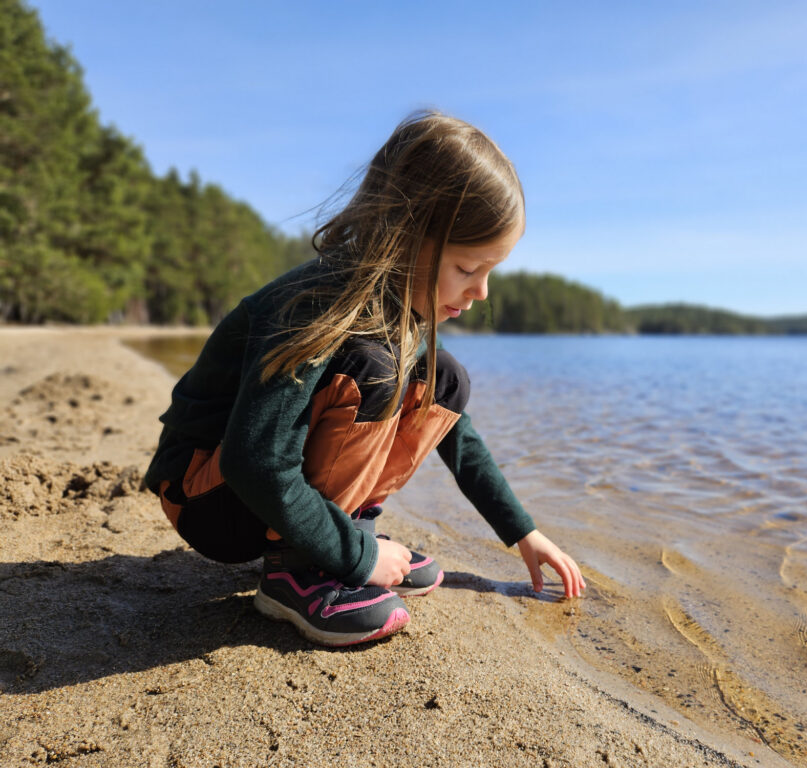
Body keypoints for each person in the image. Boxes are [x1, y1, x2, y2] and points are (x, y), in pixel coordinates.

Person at [144, 111, 585, 648]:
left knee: (442, 381)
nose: (482, 293)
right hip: (204, 494)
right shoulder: (315, 306)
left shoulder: (400, 310)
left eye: (490, 272)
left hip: (251, 489)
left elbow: (457, 435)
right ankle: (301, 569)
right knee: (374, 371)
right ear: (406, 236)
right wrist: (358, 559)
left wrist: (523, 533)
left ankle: (337, 534)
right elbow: (252, 458)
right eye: (468, 270)